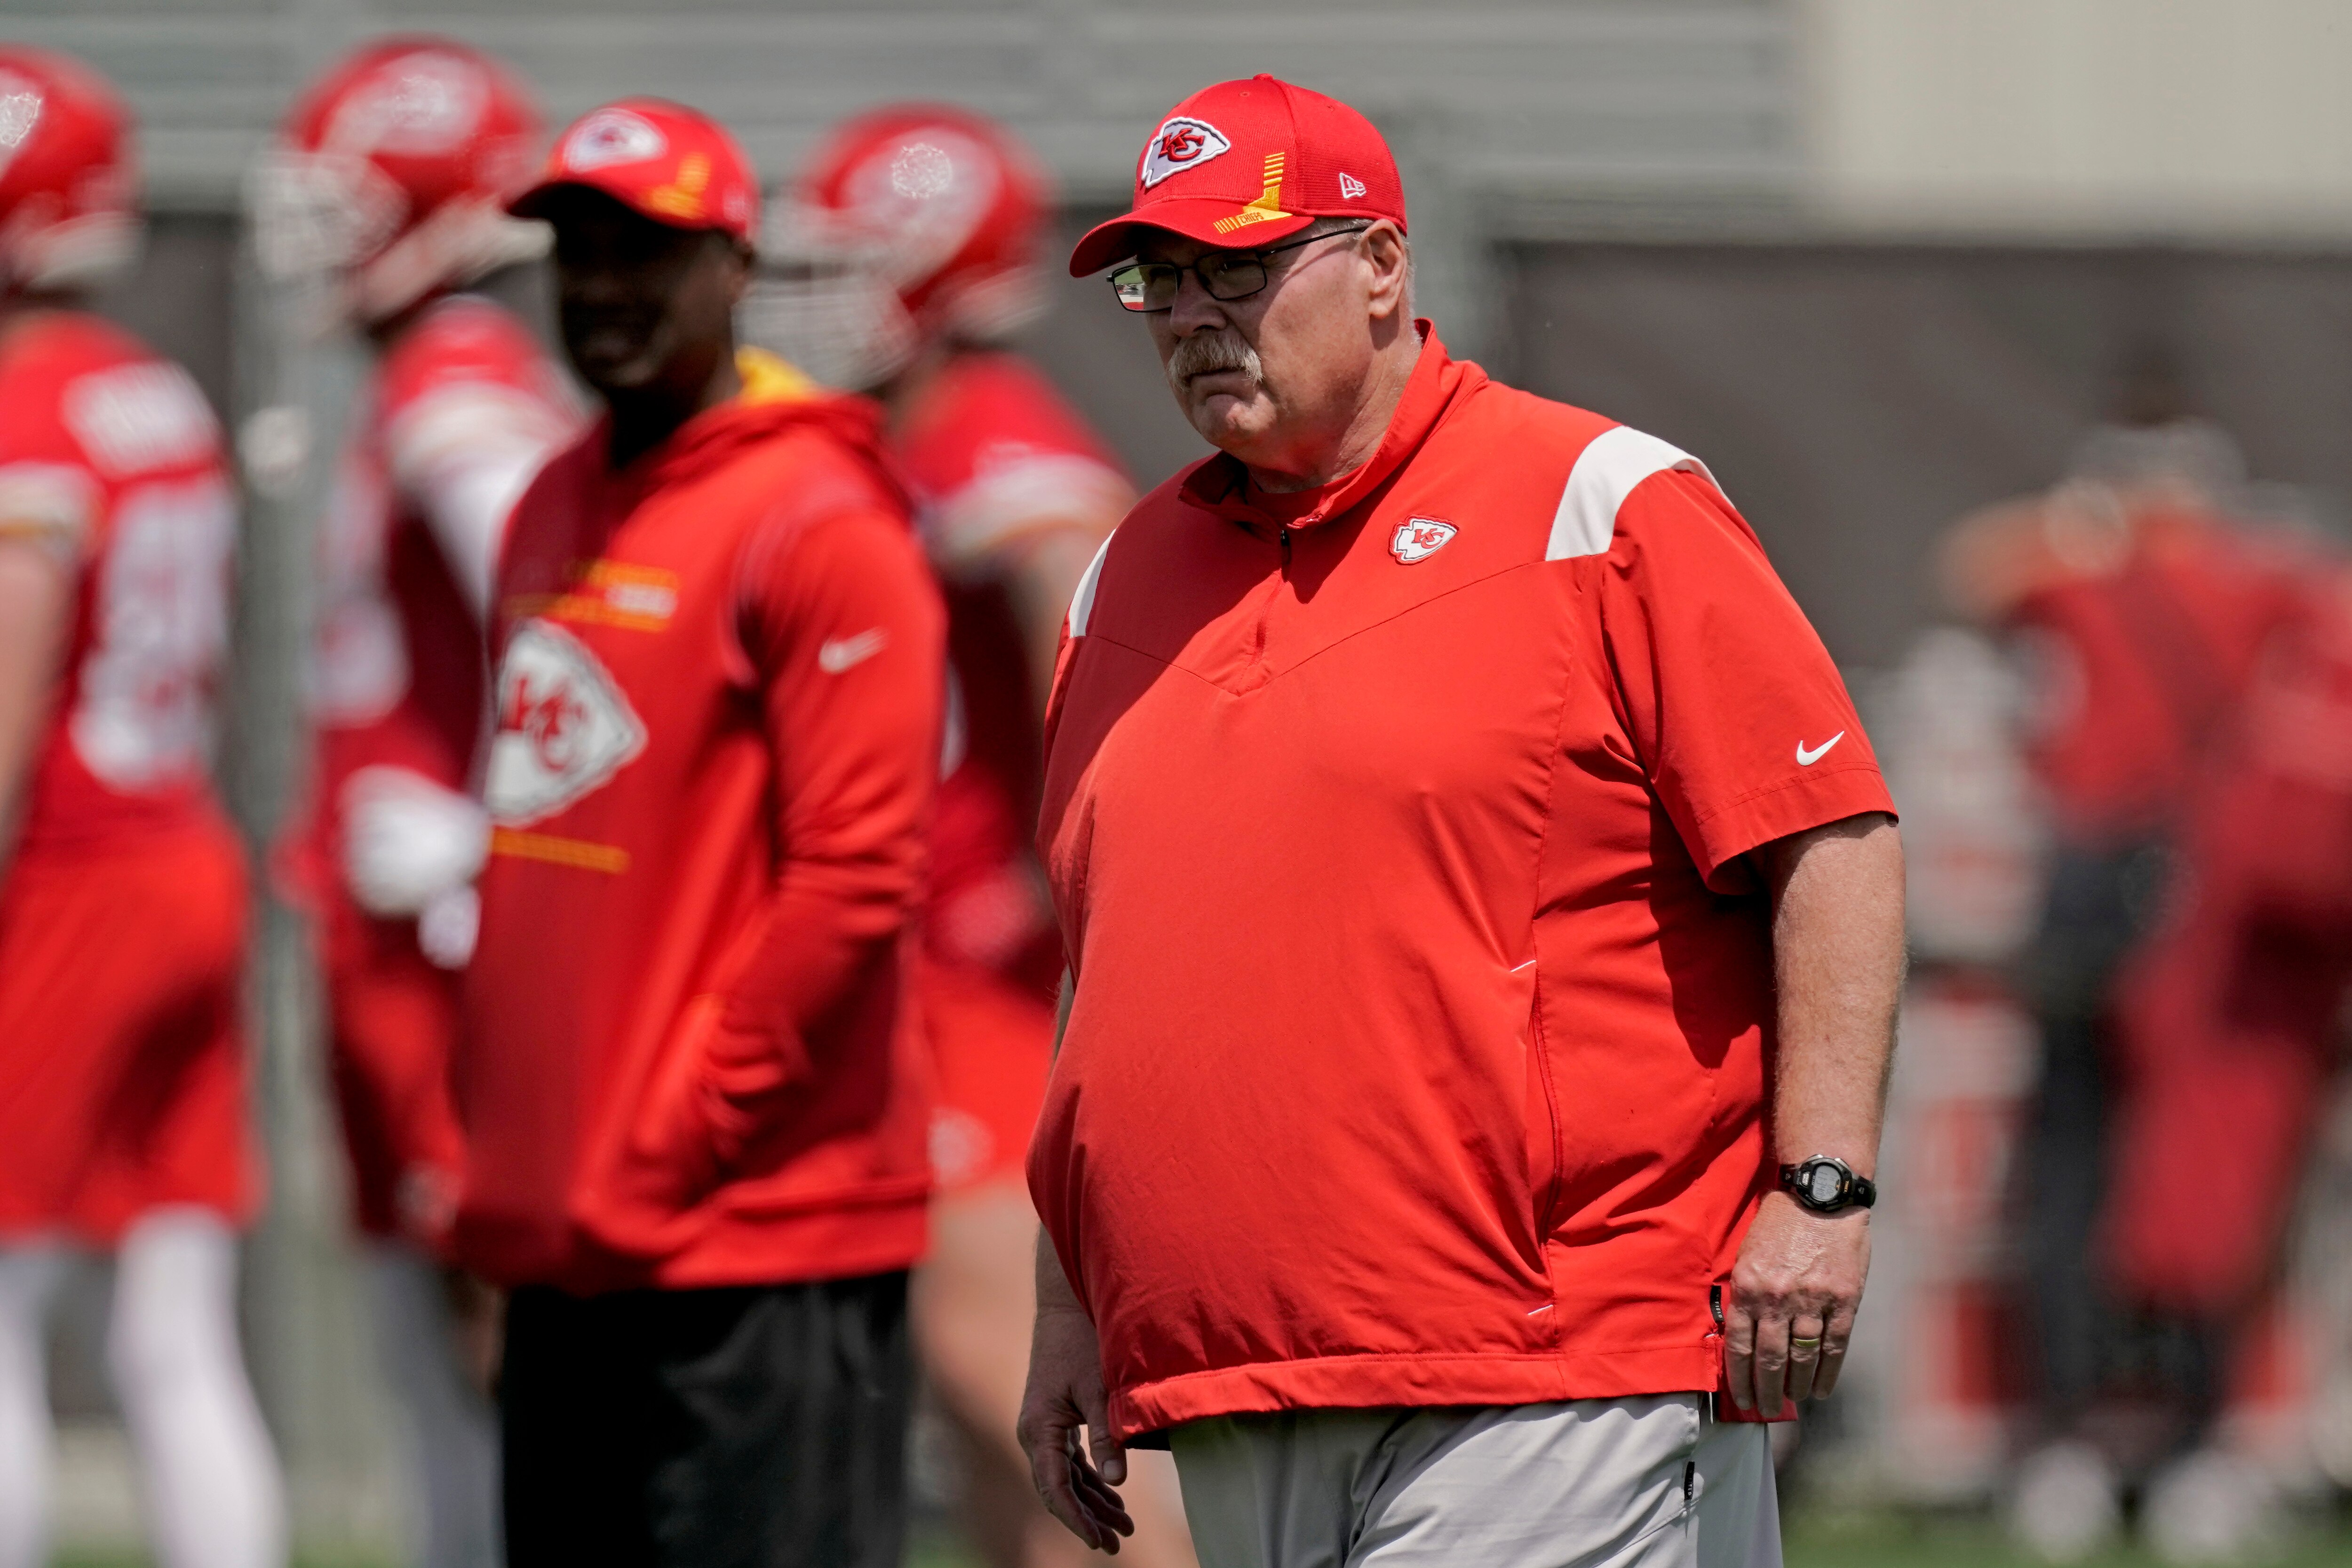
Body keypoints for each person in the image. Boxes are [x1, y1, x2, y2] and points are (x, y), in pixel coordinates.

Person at [1016, 76, 1907, 1568]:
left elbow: (1833, 840)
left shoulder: (1600, 499)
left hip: (1558, 1363)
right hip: (1235, 1370)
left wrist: (1821, 1190)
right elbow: (1103, 971)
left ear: (1381, 266)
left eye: (1237, 267)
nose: (1191, 317)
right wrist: (1066, 1299)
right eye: (1158, 279)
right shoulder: (1127, 572)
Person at [452, 97, 946, 1567]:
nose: (604, 288)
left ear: (735, 266)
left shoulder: (819, 516)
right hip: (573, 1234)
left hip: (759, 1235)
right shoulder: (552, 496)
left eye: (646, 253)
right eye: (578, 253)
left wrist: (684, 1124)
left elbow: (857, 878)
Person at [753, 105, 1192, 1568]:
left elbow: (1090, 586)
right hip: (926, 964)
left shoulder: (991, 435)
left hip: (991, 975)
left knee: (1004, 1360)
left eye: (849, 264)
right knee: (981, 1407)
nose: (810, 299)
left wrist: (1064, 861)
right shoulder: (902, 434)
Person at [249, 38, 582, 1568]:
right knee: (431, 1349)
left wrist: (494, 832)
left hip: (454, 941)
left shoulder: (457, 378)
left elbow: (578, 621)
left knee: (497, 1336)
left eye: (352, 199)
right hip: (402, 930)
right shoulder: (422, 375)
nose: (321, 235)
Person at [1942, 391, 2325, 1562]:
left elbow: (1971, 566)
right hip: (2171, 890)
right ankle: (2172, 1445)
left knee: (2106, 1171)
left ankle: (2100, 1441)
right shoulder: (2249, 572)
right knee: (2169, 1169)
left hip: (2128, 880)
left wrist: (2092, 522)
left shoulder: (2093, 567)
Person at [0, 46, 286, 1568]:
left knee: (5, 1298)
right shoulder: (150, 388)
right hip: (180, 847)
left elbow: (13, 667)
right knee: (176, 1320)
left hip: (65, 873)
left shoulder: (25, 406)